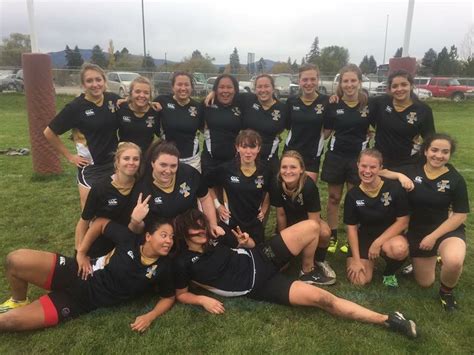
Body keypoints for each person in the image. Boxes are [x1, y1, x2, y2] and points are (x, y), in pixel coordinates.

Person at [173, 209, 417, 339]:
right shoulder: (183, 263)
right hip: (260, 285)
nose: (203, 234)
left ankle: (307, 270)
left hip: (260, 255)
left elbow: (242, 247)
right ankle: (387, 319)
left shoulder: (215, 237)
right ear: (185, 235)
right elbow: (182, 294)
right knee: (322, 299)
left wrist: (246, 243)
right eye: (197, 233)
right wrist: (202, 299)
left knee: (313, 227)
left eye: (204, 228)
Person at [0, 217, 175, 333]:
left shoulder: (164, 267)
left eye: (172, 237)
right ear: (148, 236)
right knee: (15, 259)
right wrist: (81, 252)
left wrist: (149, 316)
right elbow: (99, 223)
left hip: (80, 300)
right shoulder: (129, 239)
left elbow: (168, 297)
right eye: (164, 235)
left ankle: (18, 310)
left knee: (8, 322)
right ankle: (19, 300)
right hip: (74, 270)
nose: (169, 241)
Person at [388, 134, 469, 311]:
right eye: (434, 150)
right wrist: (399, 176)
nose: (439, 155)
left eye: (445, 152)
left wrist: (433, 237)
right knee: (425, 283)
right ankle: (426, 261)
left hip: (446, 230)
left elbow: (460, 215)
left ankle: (446, 292)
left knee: (454, 261)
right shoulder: (412, 170)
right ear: (425, 151)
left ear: (449, 155)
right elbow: (380, 171)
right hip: (418, 231)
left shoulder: (455, 179)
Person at [44, 63, 120, 209]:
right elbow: (49, 133)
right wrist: (70, 157)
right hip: (91, 167)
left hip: (115, 164)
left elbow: (133, 106)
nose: (95, 84)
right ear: (83, 84)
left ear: (104, 81)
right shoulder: (75, 107)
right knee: (90, 211)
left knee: (115, 206)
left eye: (98, 80)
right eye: (89, 81)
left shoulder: (113, 99)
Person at [321, 64, 372, 254]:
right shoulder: (333, 104)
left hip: (358, 160)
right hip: (336, 157)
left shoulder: (369, 105)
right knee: (334, 198)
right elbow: (325, 133)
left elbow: (374, 127)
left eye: (353, 80)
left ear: (359, 82)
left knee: (354, 199)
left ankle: (353, 239)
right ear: (340, 83)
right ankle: (333, 236)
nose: (349, 85)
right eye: (346, 81)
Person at [343, 149, 410, 288]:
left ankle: (389, 272)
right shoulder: (352, 195)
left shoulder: (394, 188)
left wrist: (378, 243)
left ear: (380, 168)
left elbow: (403, 221)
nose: (367, 171)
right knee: (359, 280)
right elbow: (351, 228)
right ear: (358, 165)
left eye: (373, 167)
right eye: (364, 166)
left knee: (399, 249)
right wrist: (356, 259)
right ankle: (368, 261)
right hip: (365, 236)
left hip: (389, 236)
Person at [129, 140, 220, 236]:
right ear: (153, 163)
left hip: (190, 232)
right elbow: (138, 231)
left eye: (173, 166)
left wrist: (213, 225)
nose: (168, 171)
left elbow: (205, 198)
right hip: (162, 239)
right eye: (163, 165)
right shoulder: (142, 188)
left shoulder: (189, 173)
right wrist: (135, 221)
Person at [270, 150, 335, 284]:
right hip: (288, 222)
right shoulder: (276, 183)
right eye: (284, 167)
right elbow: (281, 214)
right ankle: (289, 257)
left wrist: (307, 238)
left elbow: (314, 222)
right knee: (278, 261)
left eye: (293, 167)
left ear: (301, 170)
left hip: (308, 221)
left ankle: (311, 267)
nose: (288, 171)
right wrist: (284, 242)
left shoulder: (309, 186)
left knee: (324, 232)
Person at [75, 142, 141, 258]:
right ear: (117, 162)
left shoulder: (141, 186)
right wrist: (79, 252)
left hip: (125, 244)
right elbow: (84, 221)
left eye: (135, 159)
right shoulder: (101, 188)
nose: (131, 162)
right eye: (126, 158)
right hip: (100, 244)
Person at [207, 129, 270, 244]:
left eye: (252, 147)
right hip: (231, 222)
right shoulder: (226, 169)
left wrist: (264, 209)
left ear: (259, 149)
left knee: (257, 256)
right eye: (244, 147)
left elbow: (270, 191)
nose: (248, 152)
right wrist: (218, 206)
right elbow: (207, 185)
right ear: (237, 147)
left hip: (254, 223)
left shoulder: (265, 171)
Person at [369, 69, 435, 170]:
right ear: (390, 89)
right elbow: (359, 100)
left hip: (407, 163)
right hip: (380, 162)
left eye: (404, 84)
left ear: (411, 85)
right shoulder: (381, 102)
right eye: (394, 86)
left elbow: (430, 139)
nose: (399, 89)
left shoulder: (423, 110)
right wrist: (336, 97)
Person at [284, 64, 329, 182]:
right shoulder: (291, 101)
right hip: (291, 152)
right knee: (288, 188)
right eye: (305, 79)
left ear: (318, 80)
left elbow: (328, 130)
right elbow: (288, 126)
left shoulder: (326, 101)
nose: (309, 83)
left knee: (308, 190)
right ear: (299, 81)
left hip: (312, 155)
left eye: (313, 79)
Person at [154, 72, 203, 171]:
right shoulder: (162, 101)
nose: (183, 88)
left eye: (187, 85)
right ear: (173, 87)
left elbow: (204, 129)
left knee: (192, 186)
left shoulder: (198, 107)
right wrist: (126, 101)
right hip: (167, 158)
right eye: (179, 84)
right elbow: (142, 105)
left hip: (192, 160)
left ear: (192, 87)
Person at [201, 74, 243, 177]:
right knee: (210, 191)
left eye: (229, 87)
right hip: (210, 161)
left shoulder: (242, 103)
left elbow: (259, 97)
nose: (225, 91)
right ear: (216, 89)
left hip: (234, 161)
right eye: (221, 87)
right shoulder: (207, 103)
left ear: (235, 89)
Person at [117, 76, 160, 154]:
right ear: (131, 93)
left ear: (150, 95)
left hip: (146, 158)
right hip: (126, 158)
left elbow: (162, 135)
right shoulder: (121, 108)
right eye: (137, 91)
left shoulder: (155, 111)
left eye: (146, 93)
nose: (142, 95)